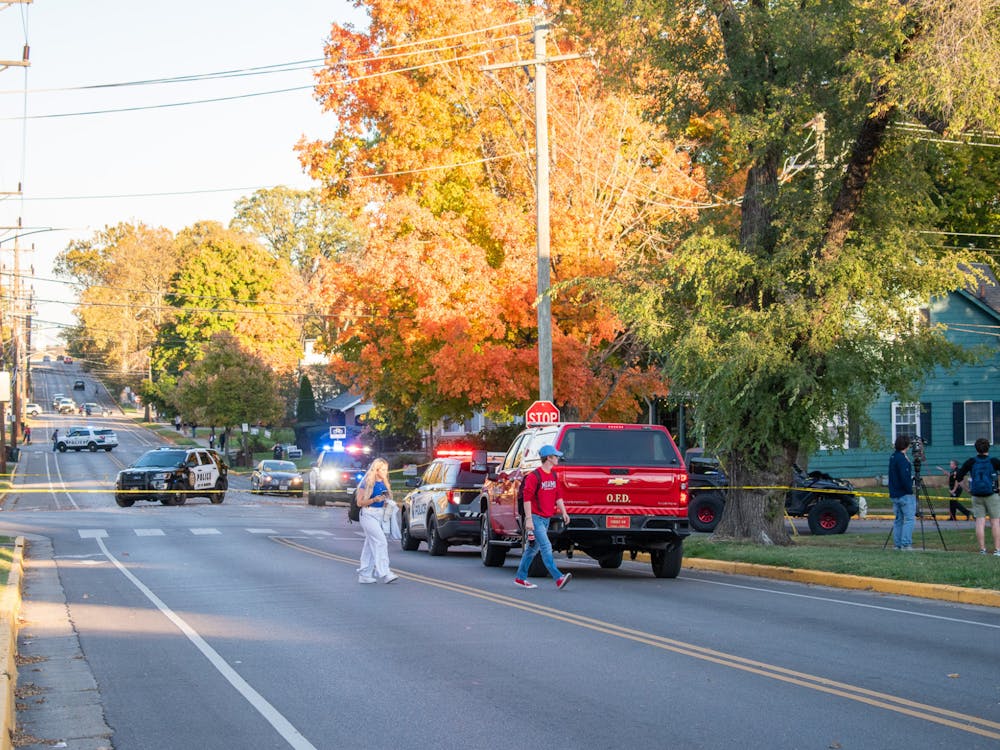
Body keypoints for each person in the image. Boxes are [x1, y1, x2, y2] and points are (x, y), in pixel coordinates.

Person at [514, 444, 573, 589]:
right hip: (535, 518)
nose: (558, 458)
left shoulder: (553, 475)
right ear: (549, 458)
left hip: (546, 518)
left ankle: (520, 578)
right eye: (556, 456)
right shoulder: (534, 476)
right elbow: (527, 499)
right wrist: (528, 520)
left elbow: (558, 496)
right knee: (546, 546)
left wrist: (564, 512)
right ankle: (558, 578)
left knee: (532, 549)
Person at [954, 438, 1000, 556]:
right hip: (992, 494)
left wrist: (967, 489)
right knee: (995, 522)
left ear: (976, 449)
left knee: (980, 522)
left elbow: (958, 477)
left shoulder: (971, 462)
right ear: (988, 448)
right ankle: (997, 550)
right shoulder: (994, 461)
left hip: (976, 495)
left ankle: (982, 549)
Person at [356, 458, 399, 584]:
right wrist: (374, 500)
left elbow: (386, 499)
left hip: (380, 515)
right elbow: (359, 502)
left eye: (386, 469)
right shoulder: (367, 482)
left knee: (370, 545)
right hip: (368, 515)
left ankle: (365, 574)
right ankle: (385, 572)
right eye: (383, 470)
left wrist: (387, 502)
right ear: (376, 470)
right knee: (381, 542)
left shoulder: (385, 482)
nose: (385, 472)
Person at [887, 435, 915, 551]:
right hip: (904, 494)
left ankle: (897, 544)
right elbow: (904, 477)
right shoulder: (902, 460)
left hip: (894, 493)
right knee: (909, 519)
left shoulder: (893, 457)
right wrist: (910, 490)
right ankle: (906, 544)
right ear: (906, 445)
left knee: (898, 520)